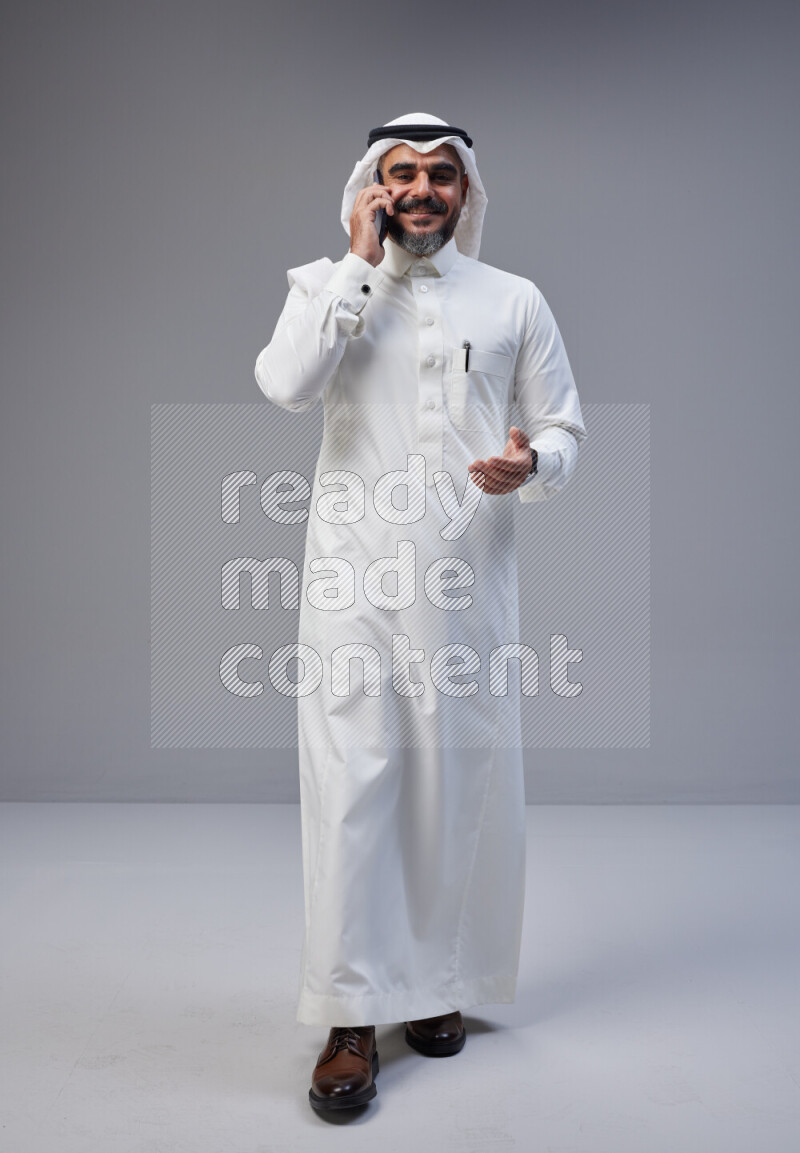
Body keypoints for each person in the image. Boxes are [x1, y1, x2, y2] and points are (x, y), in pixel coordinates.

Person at [254, 112, 587, 1114]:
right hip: (350, 582)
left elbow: (565, 422)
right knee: (354, 785)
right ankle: (350, 1016)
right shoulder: (323, 289)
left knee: (452, 786)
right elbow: (283, 383)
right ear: (370, 187)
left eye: (440, 175)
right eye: (399, 174)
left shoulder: (512, 299)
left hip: (464, 586)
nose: (420, 191)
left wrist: (532, 462)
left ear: (465, 191)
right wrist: (356, 267)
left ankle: (436, 989)